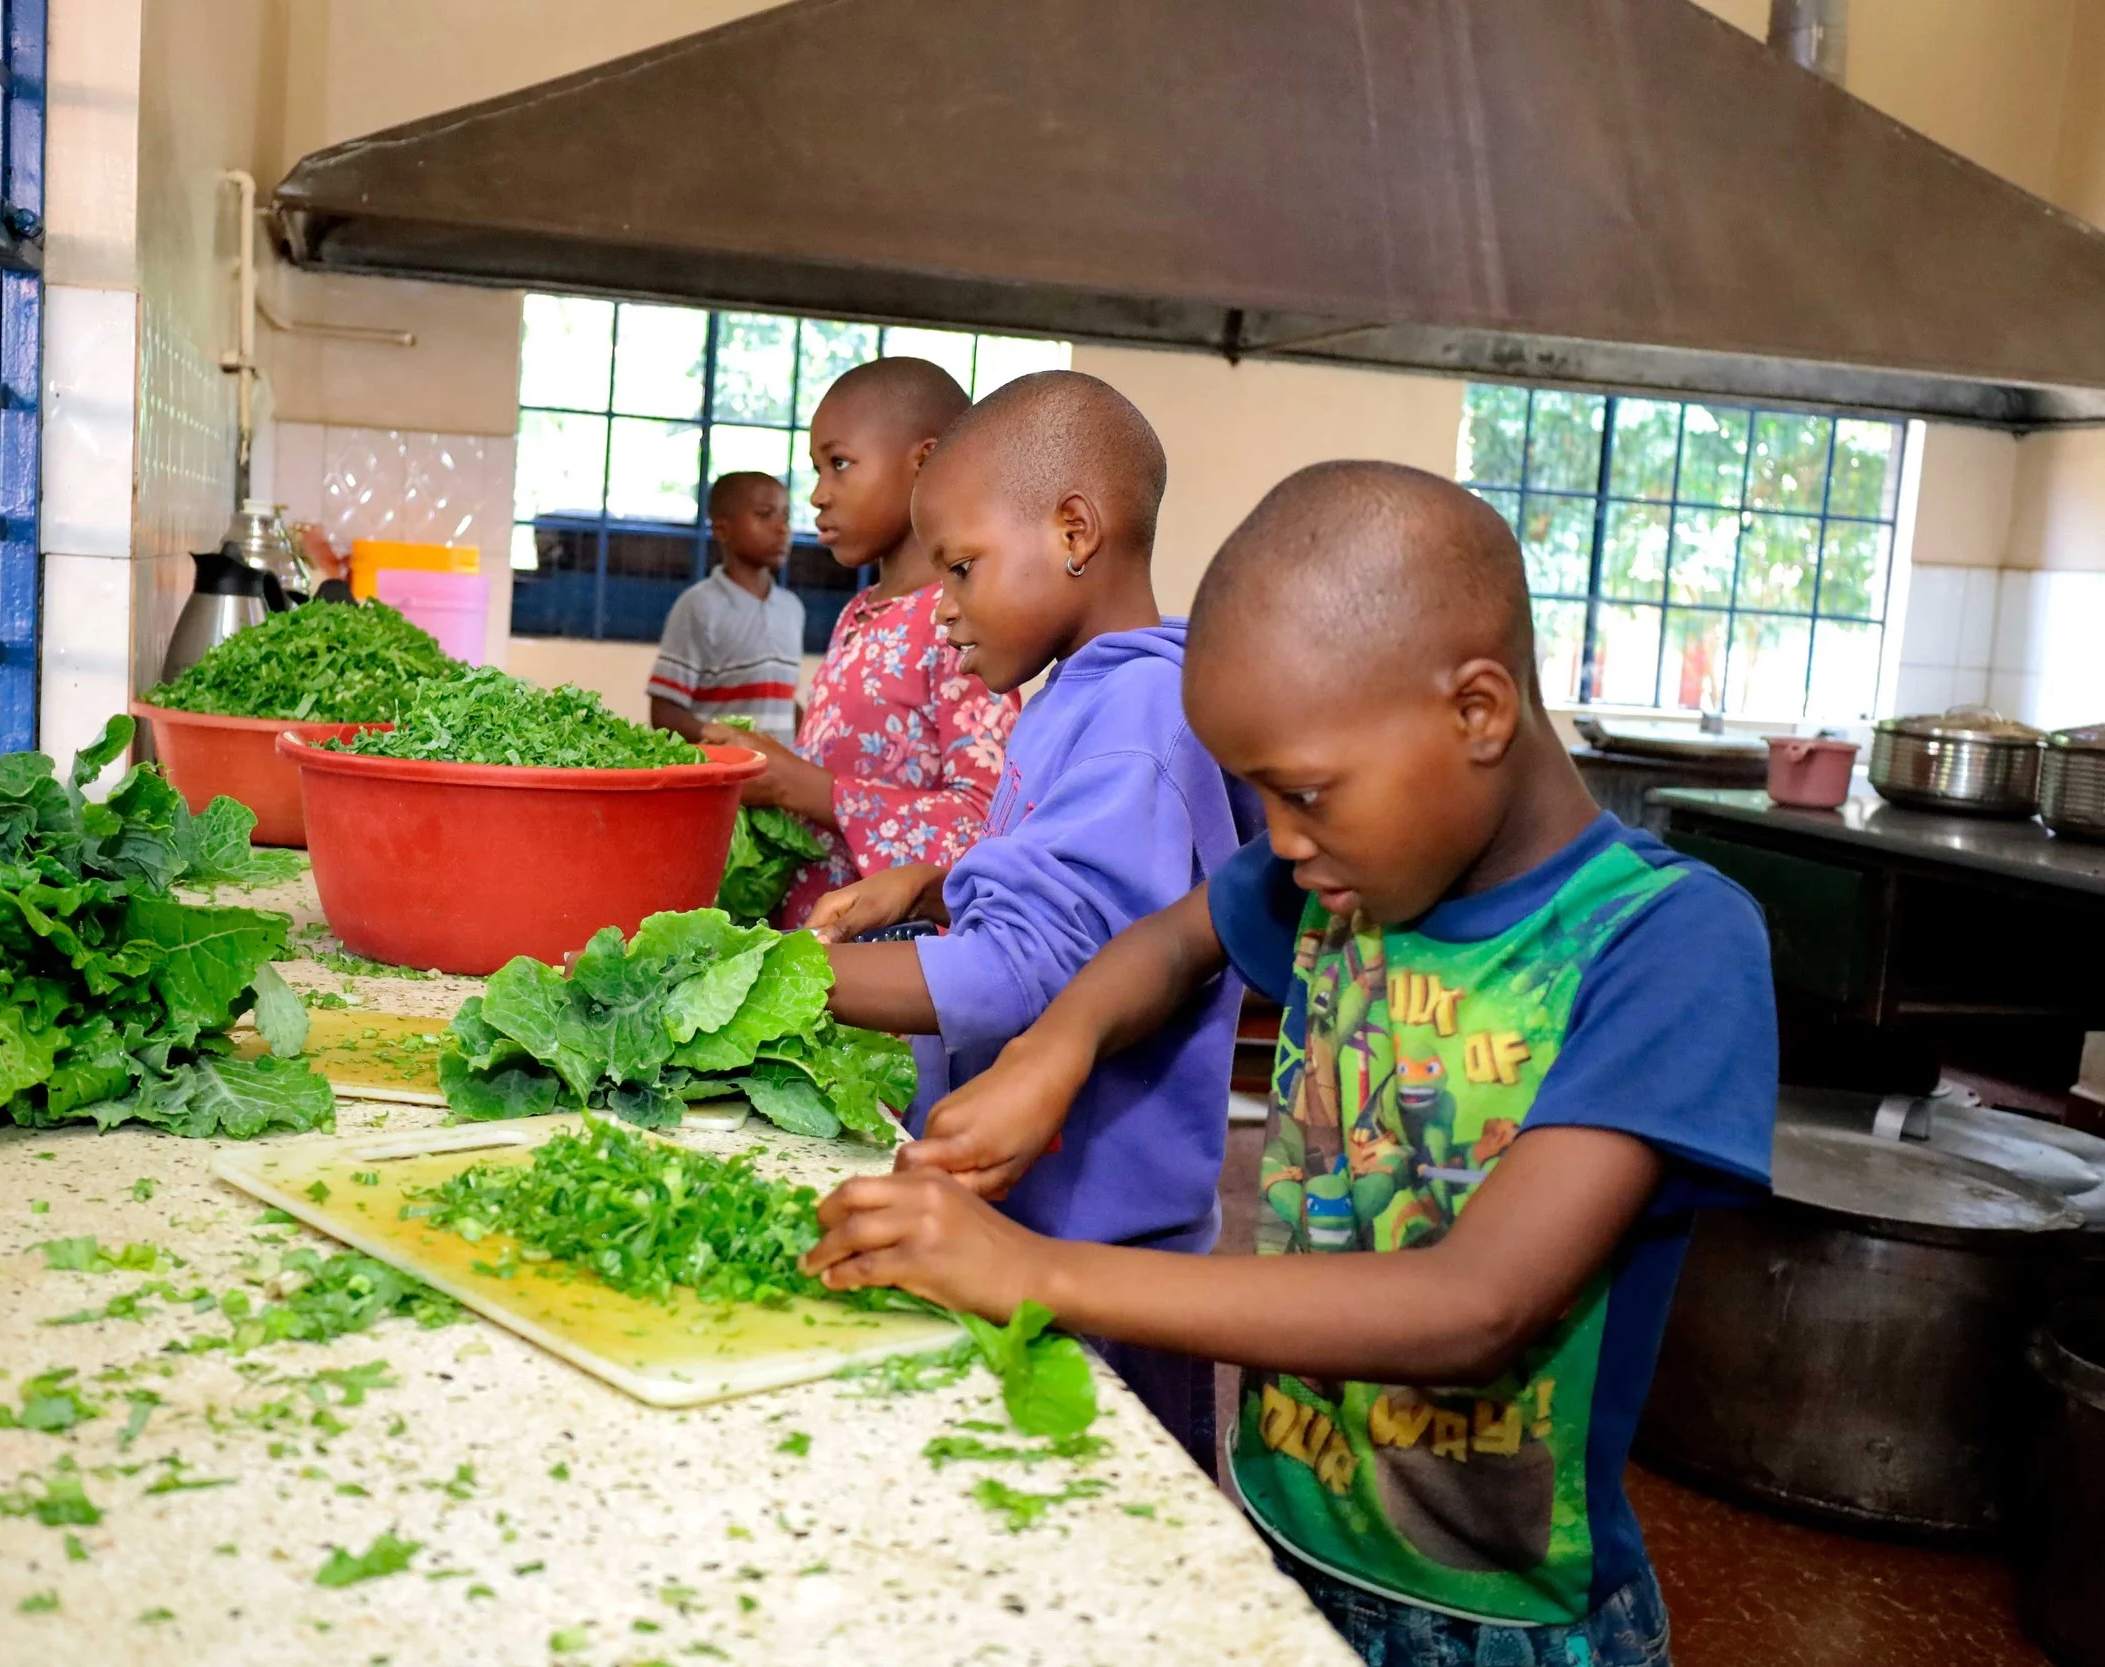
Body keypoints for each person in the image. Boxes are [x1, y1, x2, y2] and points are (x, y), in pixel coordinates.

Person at [801, 461, 1778, 1667]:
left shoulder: (1664, 939)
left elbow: (1477, 1304)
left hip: (1505, 1623)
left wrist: (1034, 1270)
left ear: (1476, 711)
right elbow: (1169, 941)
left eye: (1305, 791)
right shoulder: (1343, 872)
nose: (1284, 837)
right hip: (1281, 1538)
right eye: (1261, 793)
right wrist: (1054, 1052)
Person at [808, 370, 1256, 1470]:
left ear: (1072, 530)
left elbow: (1025, 970)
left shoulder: (1138, 716)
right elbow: (1077, 892)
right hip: (1034, 1230)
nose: (944, 602)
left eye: (961, 567)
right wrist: (930, 882)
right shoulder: (1091, 696)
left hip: (1097, 1262)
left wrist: (753, 975)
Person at [733, 358, 1018, 925]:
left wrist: (803, 788)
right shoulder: (857, 614)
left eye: (839, 464)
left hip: (899, 975)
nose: (816, 495)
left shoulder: (962, 621)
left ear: (927, 461)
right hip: (817, 951)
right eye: (817, 469)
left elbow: (984, 823)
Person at [646, 471, 806, 744]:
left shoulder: (792, 609)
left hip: (779, 782)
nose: (782, 528)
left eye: (786, 516)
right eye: (765, 514)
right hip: (725, 778)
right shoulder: (699, 606)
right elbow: (665, 711)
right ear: (722, 531)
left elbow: (777, 701)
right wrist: (723, 737)